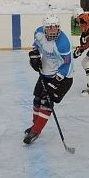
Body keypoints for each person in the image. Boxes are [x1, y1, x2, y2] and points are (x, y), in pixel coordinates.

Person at [24, 14, 74, 144]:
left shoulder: (63, 43)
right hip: (45, 73)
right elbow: (36, 46)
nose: (53, 30)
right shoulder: (39, 32)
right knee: (37, 100)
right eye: (50, 28)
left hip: (63, 77)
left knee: (46, 103)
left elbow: (67, 65)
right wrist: (34, 57)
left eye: (55, 27)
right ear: (45, 28)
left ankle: (36, 131)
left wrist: (56, 81)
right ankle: (35, 126)